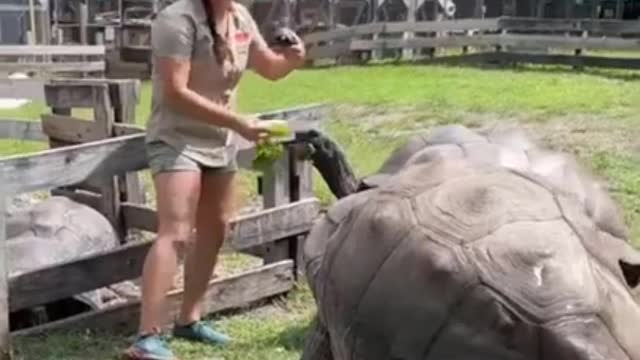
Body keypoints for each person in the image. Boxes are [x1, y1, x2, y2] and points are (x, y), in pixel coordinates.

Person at [124, 0, 305, 358]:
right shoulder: (176, 20)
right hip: (176, 139)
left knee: (216, 229)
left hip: (218, 141)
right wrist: (238, 123)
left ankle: (189, 320)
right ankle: (146, 337)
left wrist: (294, 58)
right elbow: (175, 92)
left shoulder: (239, 17)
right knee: (175, 232)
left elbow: (269, 67)